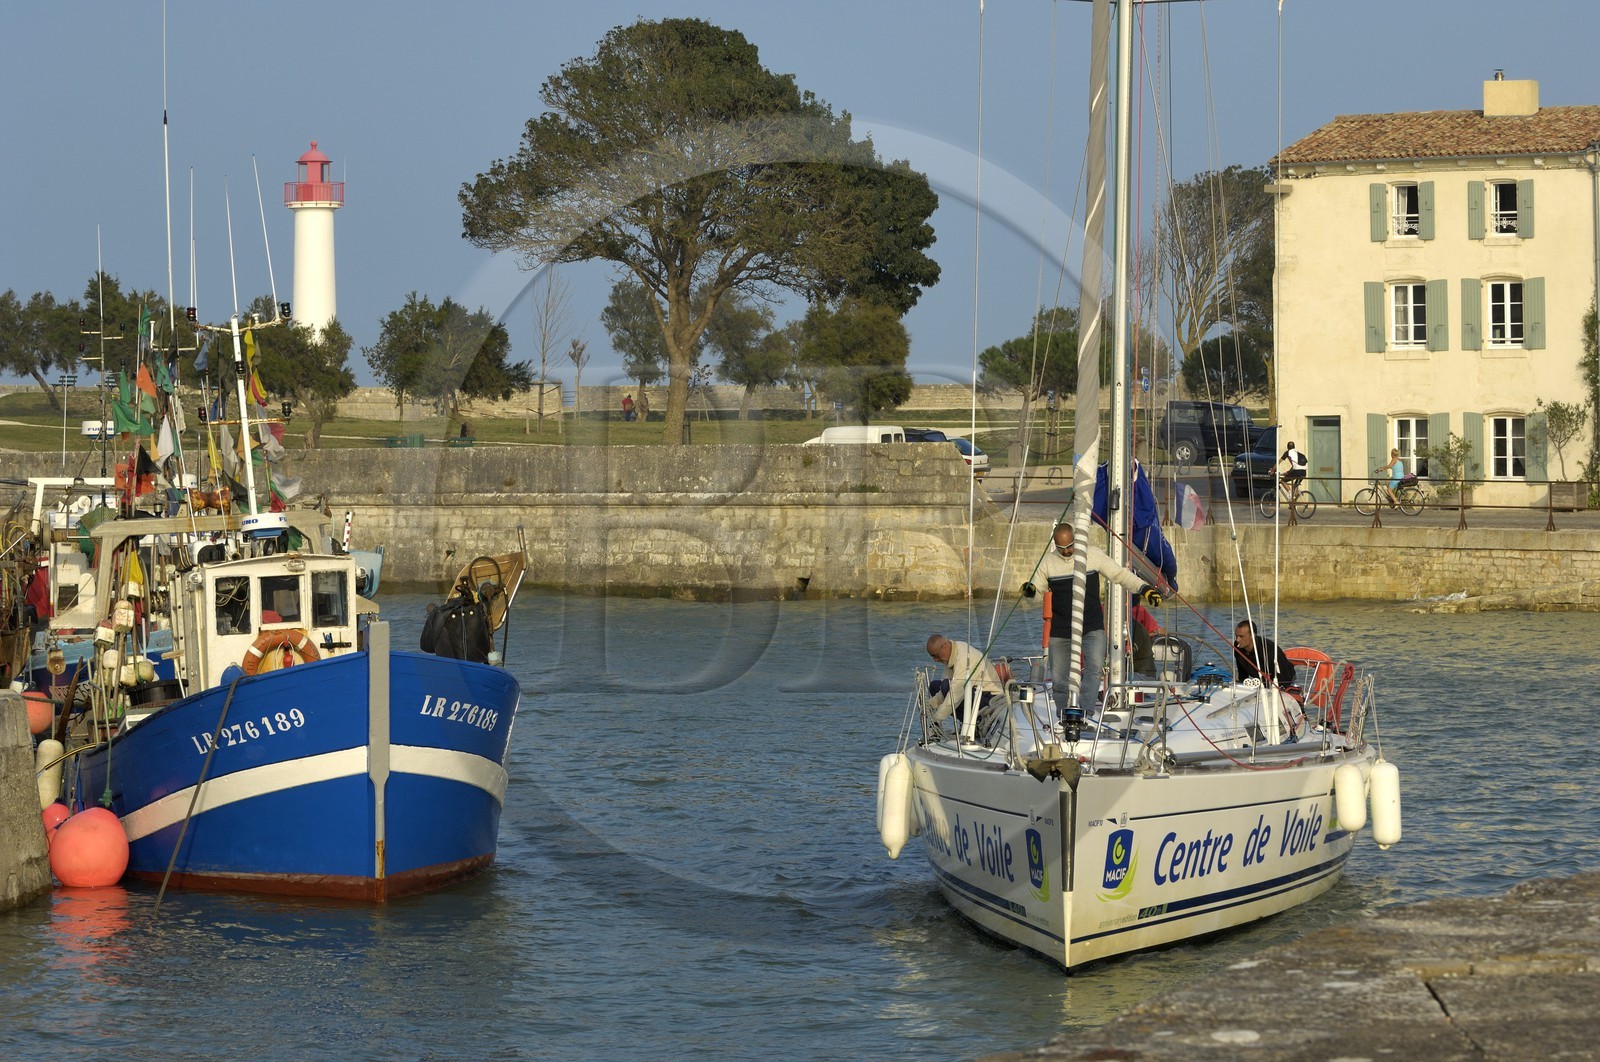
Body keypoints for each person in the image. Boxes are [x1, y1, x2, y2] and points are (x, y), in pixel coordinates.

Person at [1022, 523, 1163, 713]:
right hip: (1061, 629)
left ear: (1075, 540)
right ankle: (1065, 714)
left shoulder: (1092, 555)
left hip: (1092, 626)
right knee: (1058, 678)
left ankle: (1086, 710)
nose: (1066, 552)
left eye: (1070, 546)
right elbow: (1037, 592)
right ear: (1055, 545)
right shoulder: (1047, 562)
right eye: (1061, 548)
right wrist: (1030, 592)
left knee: (1095, 667)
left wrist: (1144, 589)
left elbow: (1119, 574)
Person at [924, 634, 1004, 725]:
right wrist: (930, 705)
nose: (935, 660)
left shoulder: (964, 658)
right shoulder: (952, 652)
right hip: (974, 693)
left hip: (991, 699)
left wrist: (937, 718)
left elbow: (956, 693)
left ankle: (975, 724)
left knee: (947, 686)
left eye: (936, 655)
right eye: (932, 657)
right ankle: (969, 723)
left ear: (945, 647)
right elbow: (944, 691)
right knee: (935, 686)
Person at [1232, 620, 1296, 687]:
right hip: (1260, 680)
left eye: (1241, 636)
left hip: (1285, 677)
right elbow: (1242, 672)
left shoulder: (1269, 651)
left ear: (1253, 635)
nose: (1237, 640)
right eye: (1236, 636)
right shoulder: (1237, 646)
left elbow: (1283, 680)